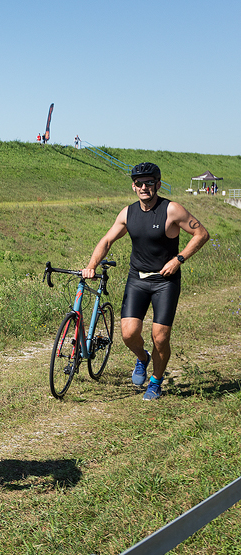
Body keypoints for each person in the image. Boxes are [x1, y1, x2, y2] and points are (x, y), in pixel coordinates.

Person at [82, 162, 209, 400]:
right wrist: (91, 266)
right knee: (129, 334)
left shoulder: (172, 210)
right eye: (139, 183)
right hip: (137, 279)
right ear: (133, 186)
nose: (144, 187)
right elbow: (107, 240)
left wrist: (179, 259)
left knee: (160, 337)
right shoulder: (127, 213)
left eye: (149, 182)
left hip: (165, 281)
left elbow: (202, 234)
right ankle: (143, 358)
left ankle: (156, 381)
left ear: (158, 184)